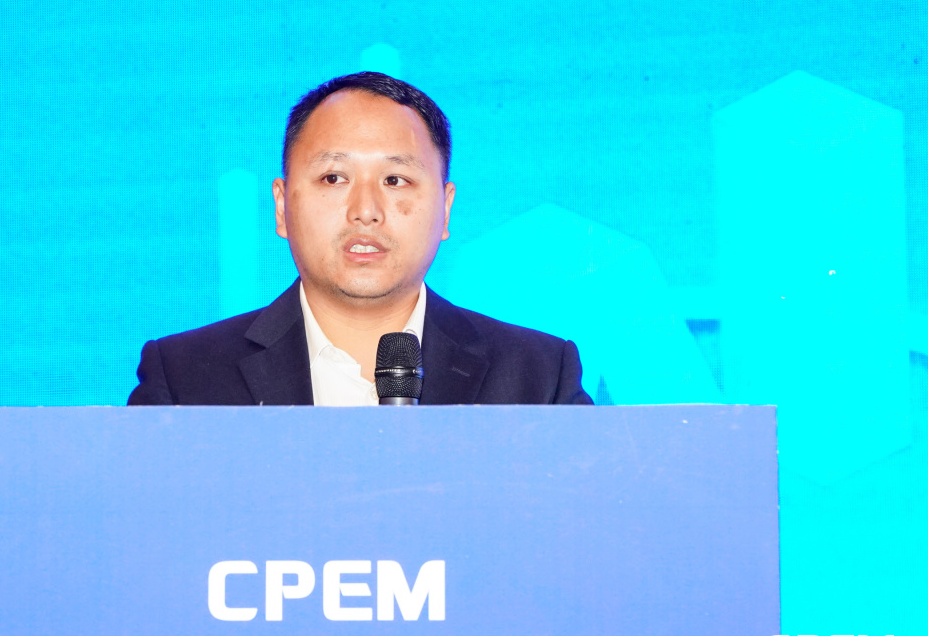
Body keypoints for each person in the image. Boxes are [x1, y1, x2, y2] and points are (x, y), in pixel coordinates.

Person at [127, 72, 592, 406]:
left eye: (395, 180)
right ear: (282, 207)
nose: (365, 210)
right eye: (334, 178)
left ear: (446, 209)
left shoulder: (539, 378)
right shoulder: (185, 380)